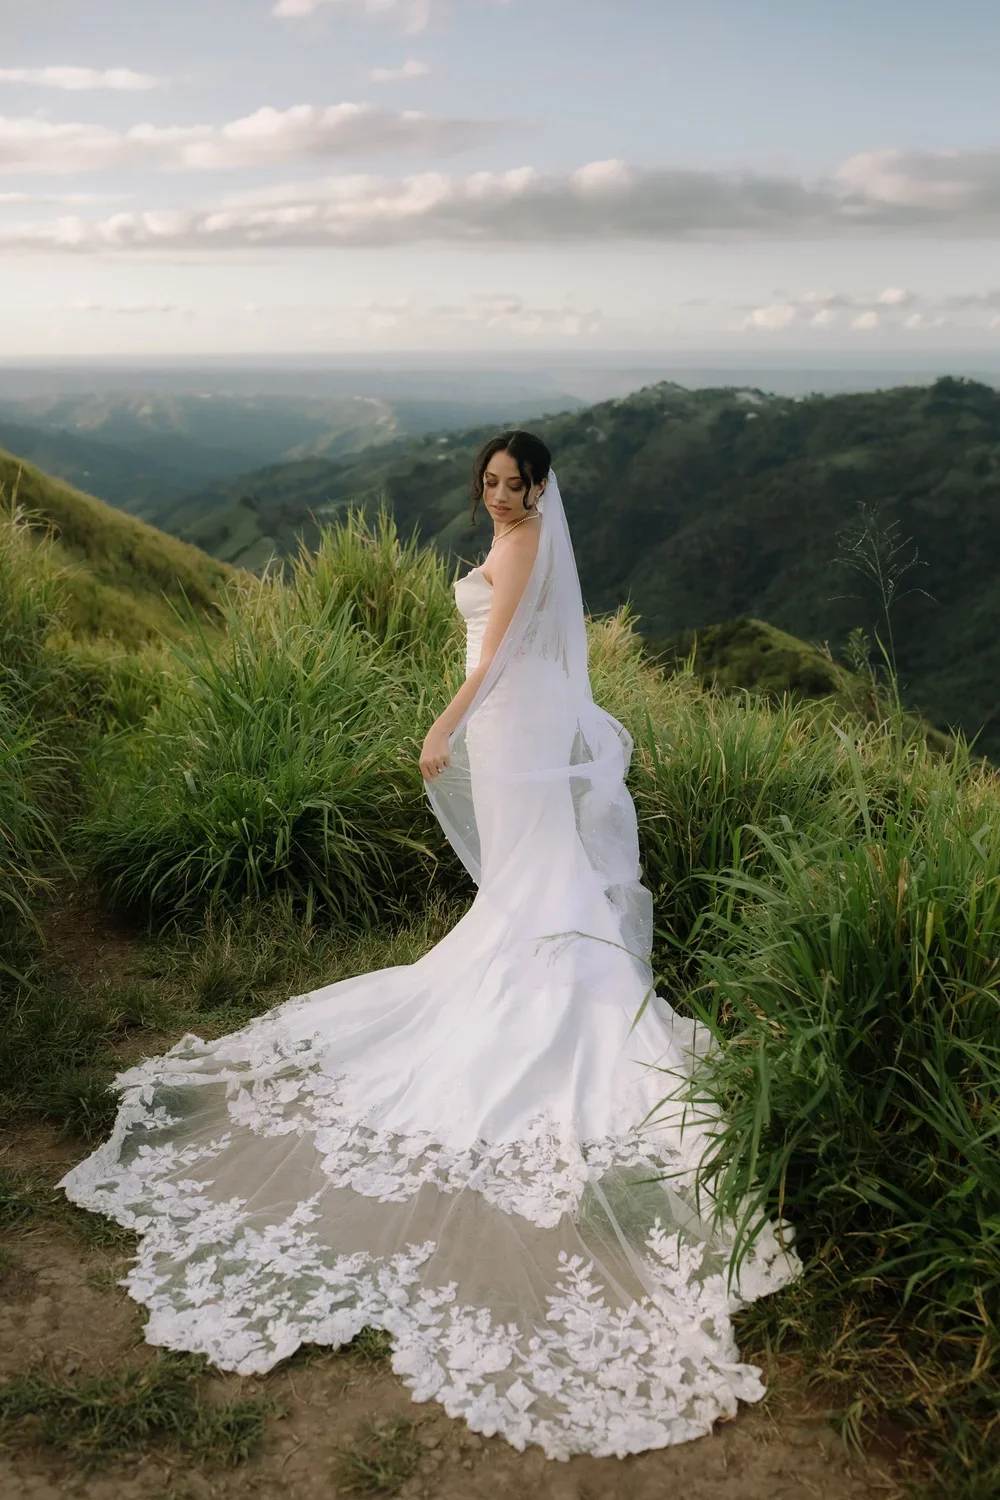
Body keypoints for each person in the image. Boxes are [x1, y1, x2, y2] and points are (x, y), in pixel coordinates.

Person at [58, 430, 800, 1461]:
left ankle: (551, 976)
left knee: (535, 874)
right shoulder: (516, 535)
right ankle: (536, 956)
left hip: (509, 717)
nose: (498, 497)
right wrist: (469, 716)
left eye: (513, 483)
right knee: (521, 873)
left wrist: (443, 722)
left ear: (539, 488)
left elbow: (494, 652)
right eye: (489, 483)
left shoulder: (530, 541)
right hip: (510, 724)